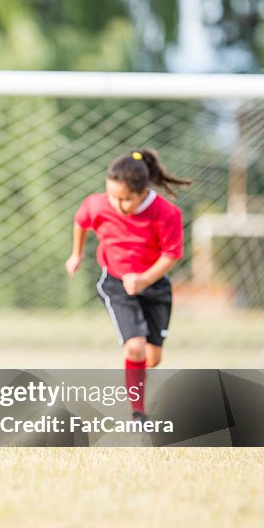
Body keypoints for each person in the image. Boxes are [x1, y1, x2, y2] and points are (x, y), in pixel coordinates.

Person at [65, 148, 190, 422]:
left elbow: (172, 254)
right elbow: (81, 220)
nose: (119, 205)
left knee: (153, 358)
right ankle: (137, 413)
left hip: (154, 286)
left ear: (144, 191)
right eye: (113, 196)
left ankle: (137, 389)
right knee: (134, 347)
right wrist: (77, 253)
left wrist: (145, 279)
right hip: (116, 282)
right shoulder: (99, 204)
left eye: (126, 199)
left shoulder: (166, 213)